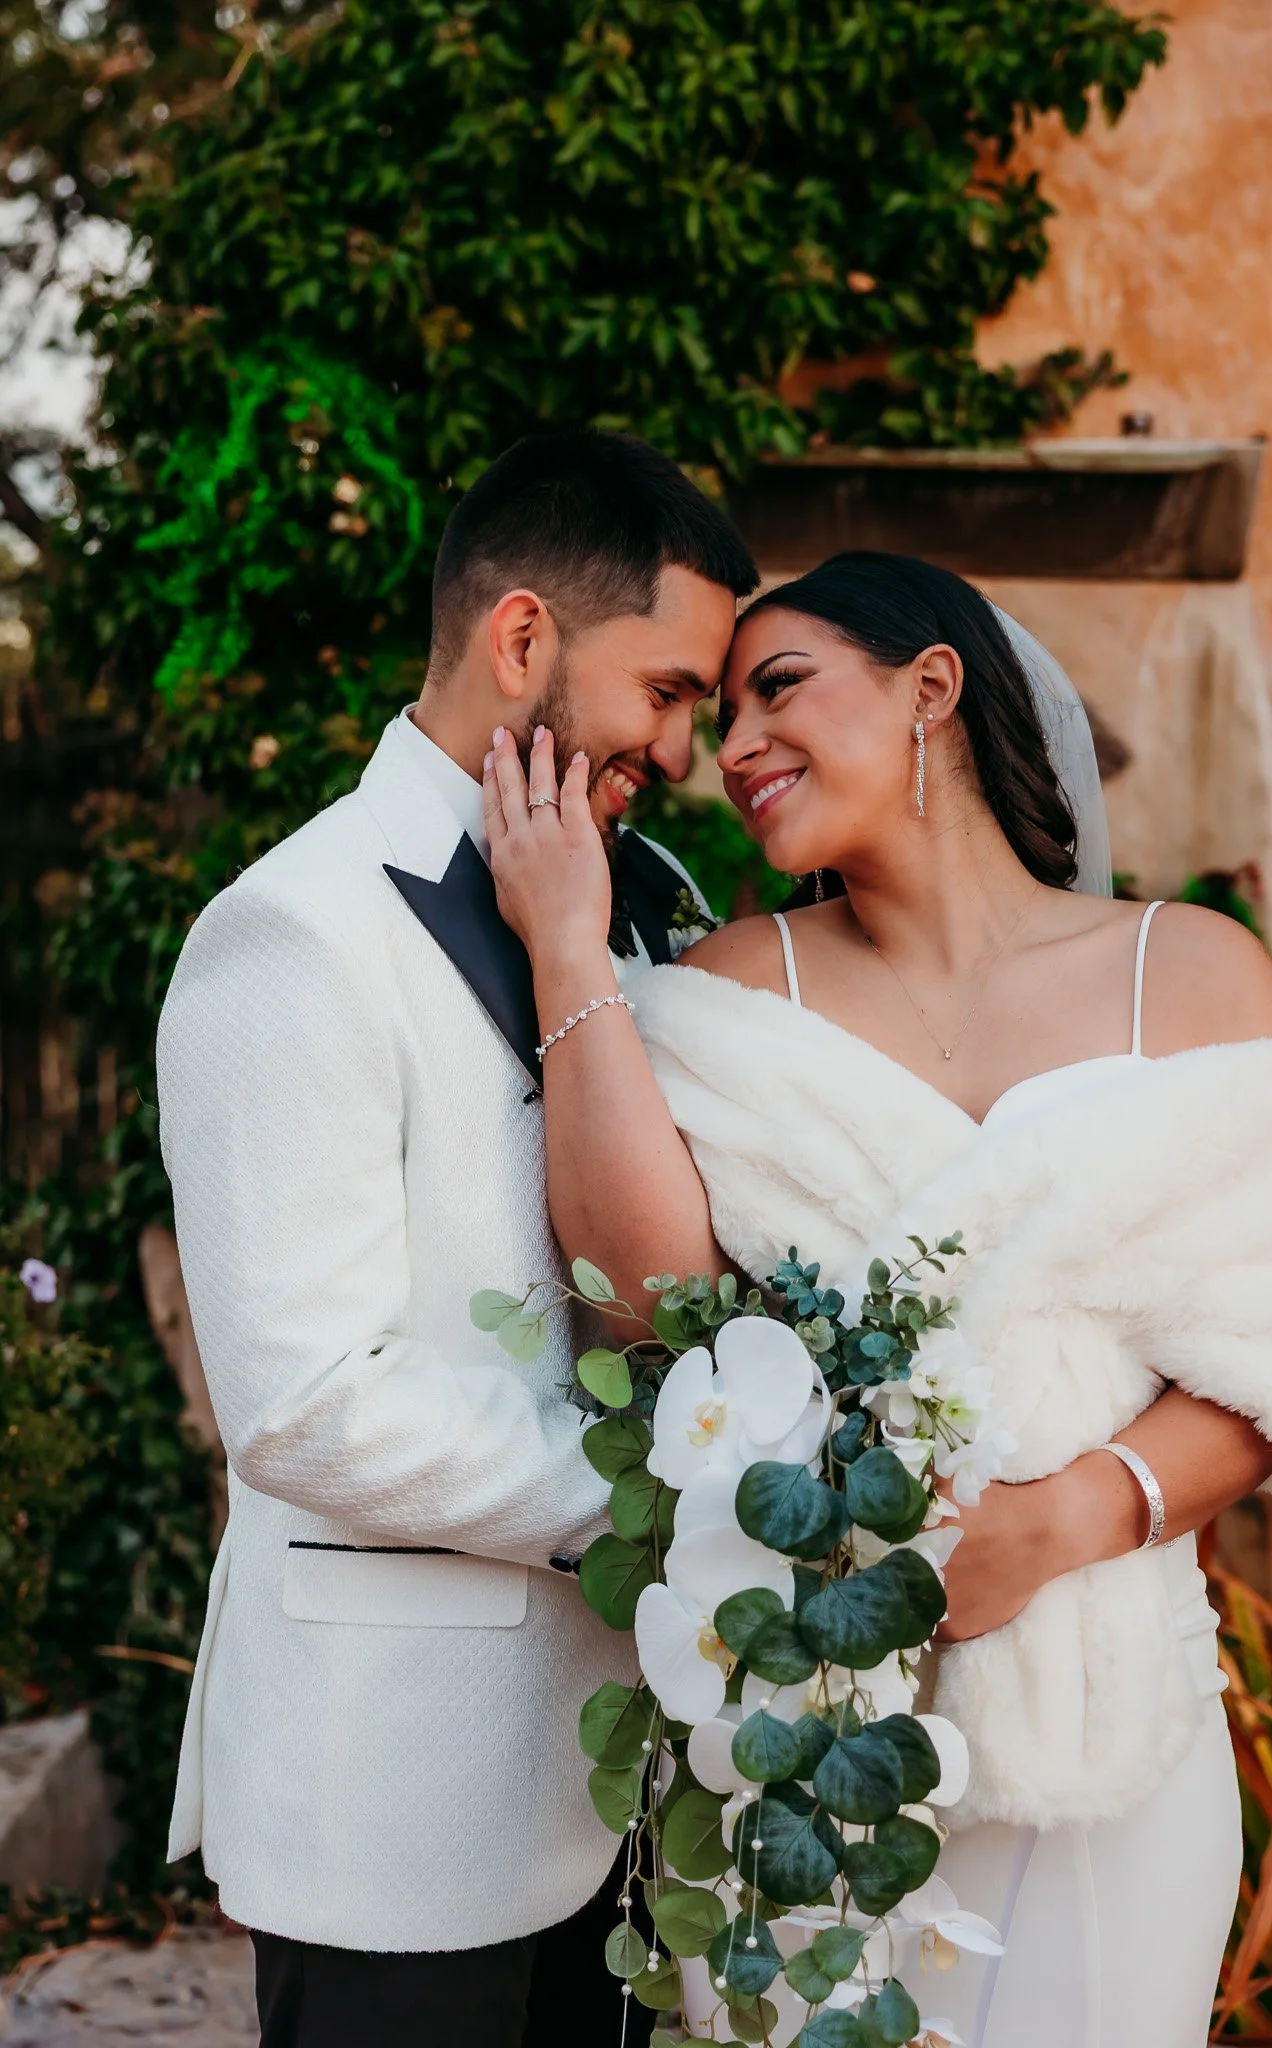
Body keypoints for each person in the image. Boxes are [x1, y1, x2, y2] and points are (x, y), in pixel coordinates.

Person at [483, 550, 1272, 2048]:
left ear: (932, 688)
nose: (733, 748)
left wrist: (1076, 1515)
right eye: (723, 707)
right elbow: (651, 1308)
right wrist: (569, 943)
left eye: (782, 689)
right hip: (818, 1714)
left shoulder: (1198, 974)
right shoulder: (737, 986)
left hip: (1114, 1736)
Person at [155, 429, 758, 2048]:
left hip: (618, 1794)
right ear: (522, 643)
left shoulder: (647, 909)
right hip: (396, 1798)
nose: (685, 750)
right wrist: (681, 1504)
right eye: (672, 692)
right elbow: (304, 1396)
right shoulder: (295, 930)